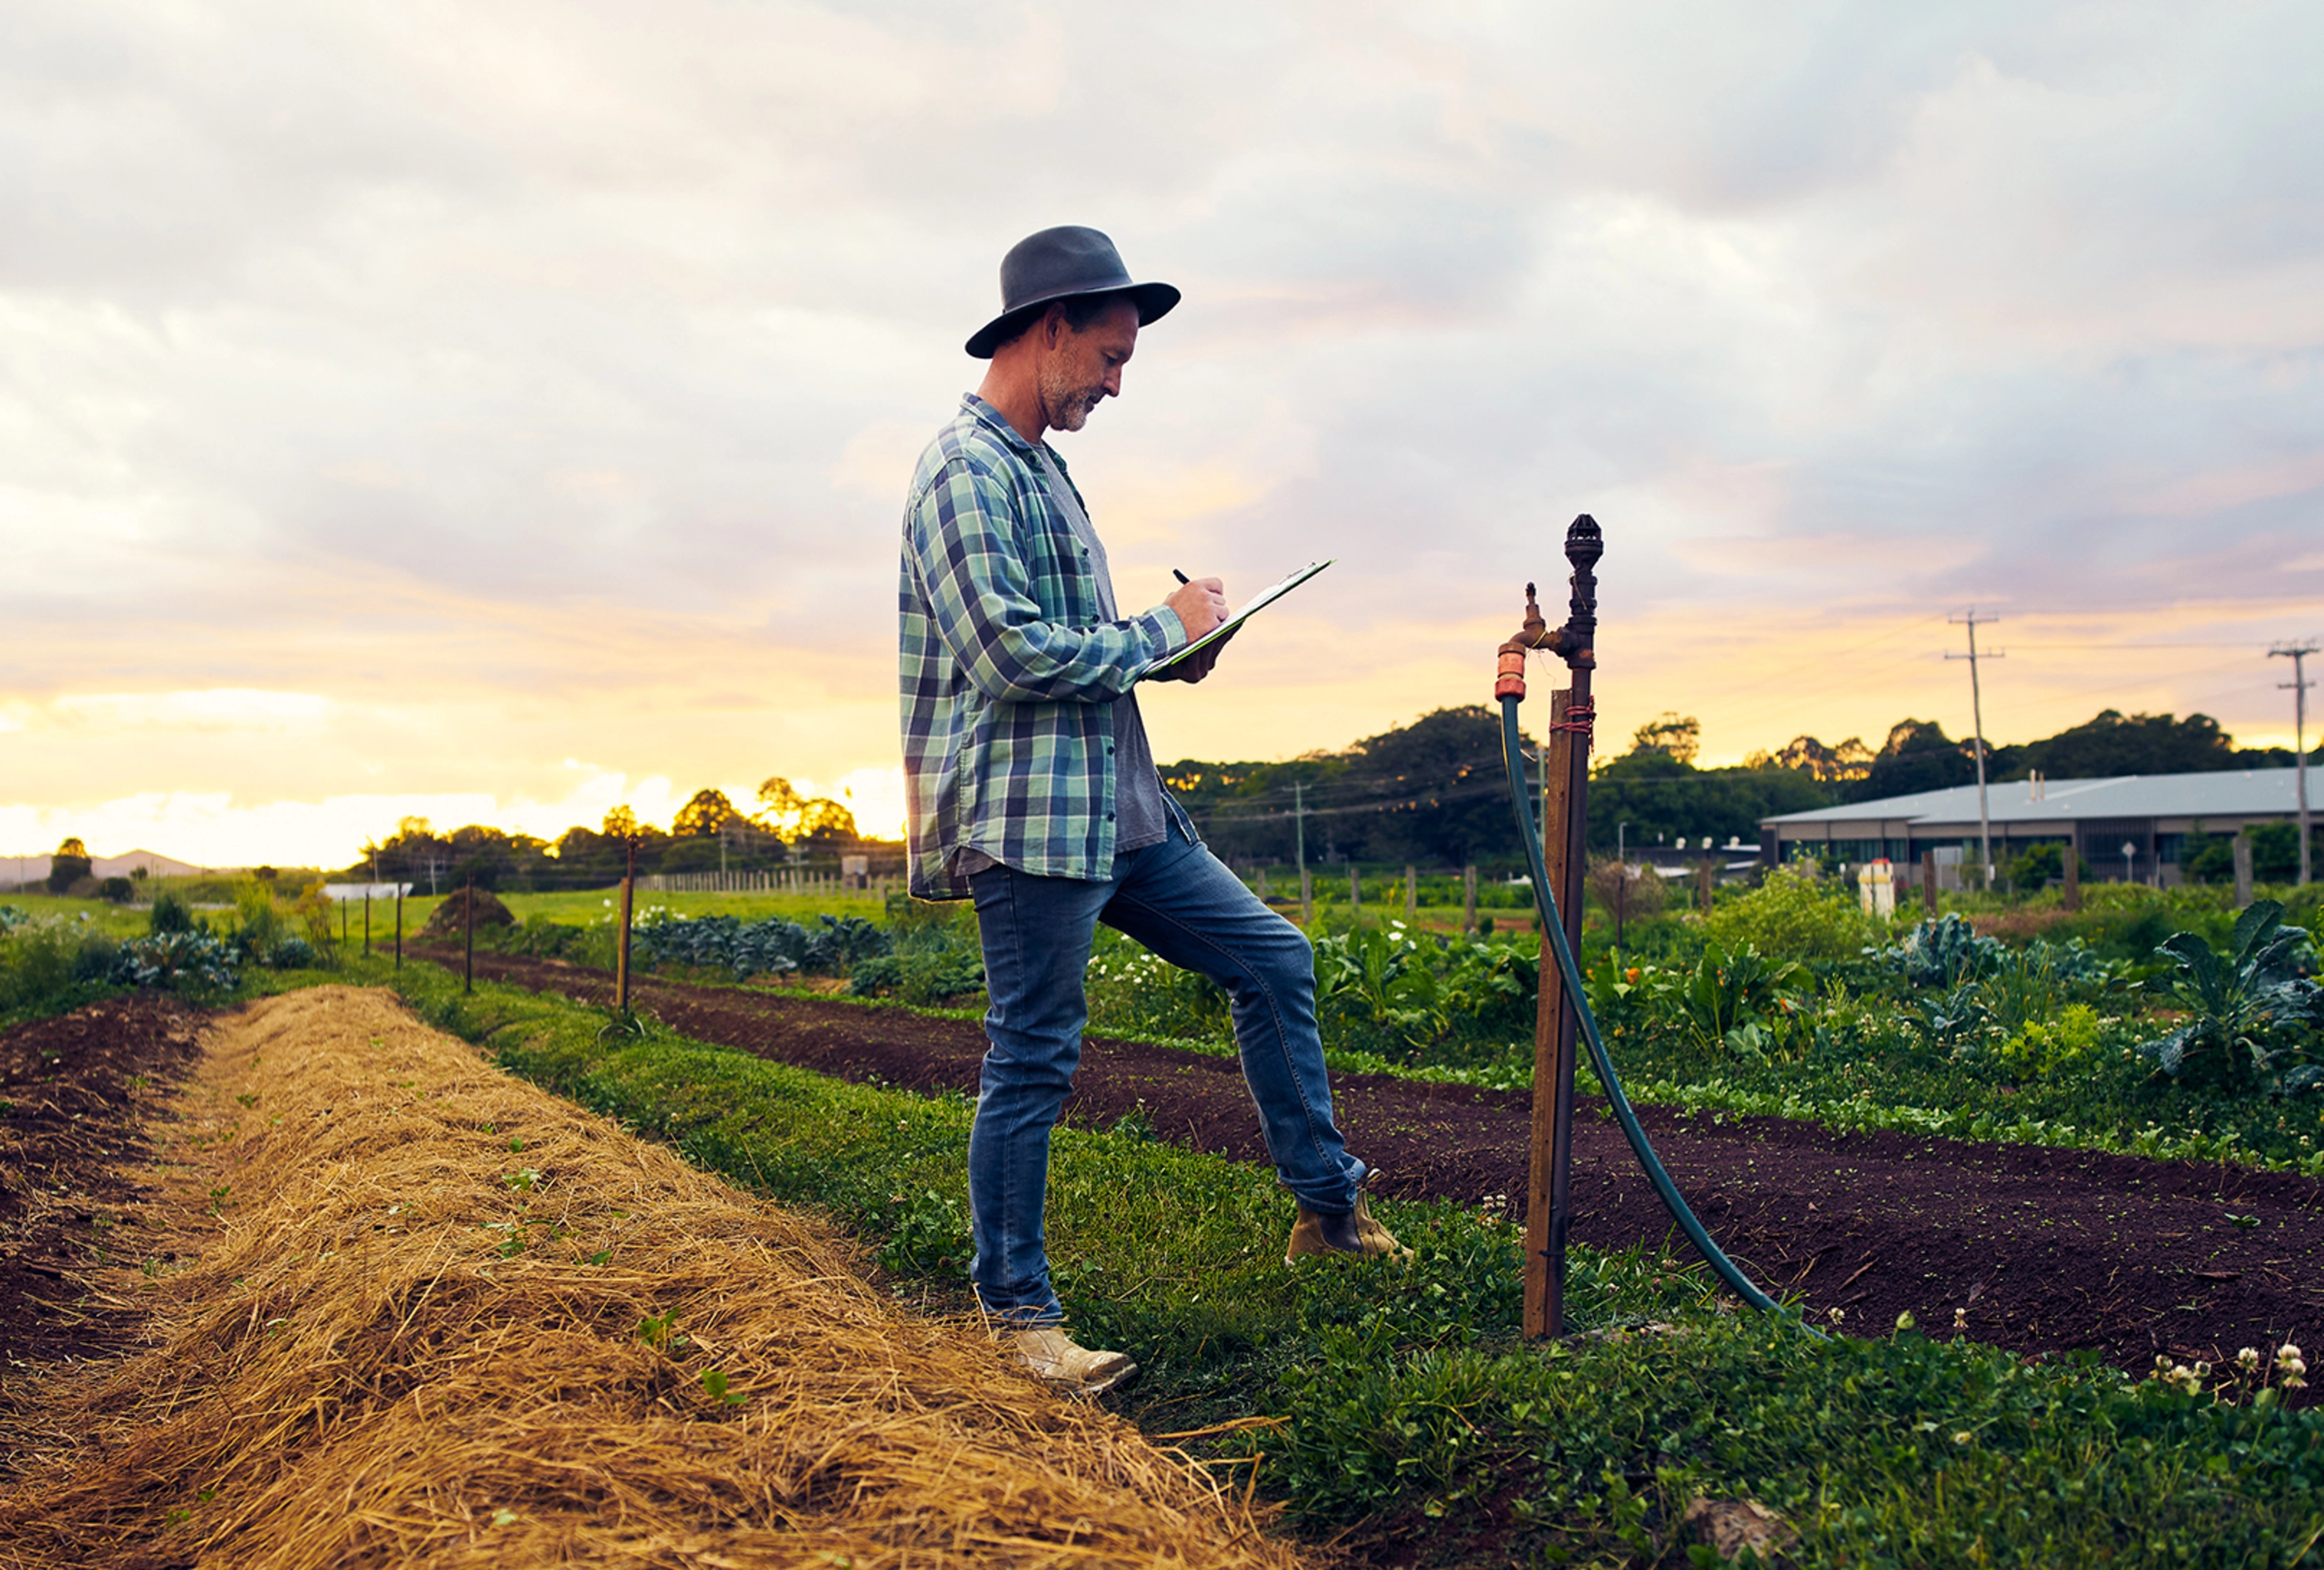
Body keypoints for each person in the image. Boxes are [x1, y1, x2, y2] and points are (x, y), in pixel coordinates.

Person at [897, 225, 1406, 1399]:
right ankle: (1017, 1317)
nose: (1119, 382)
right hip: (1030, 825)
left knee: (1275, 960)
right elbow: (1008, 653)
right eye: (1111, 356)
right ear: (1051, 326)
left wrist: (1175, 654)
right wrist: (1159, 631)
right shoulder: (963, 468)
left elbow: (1078, 649)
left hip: (1121, 810)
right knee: (1033, 1055)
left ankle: (1328, 1210)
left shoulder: (1041, 468)